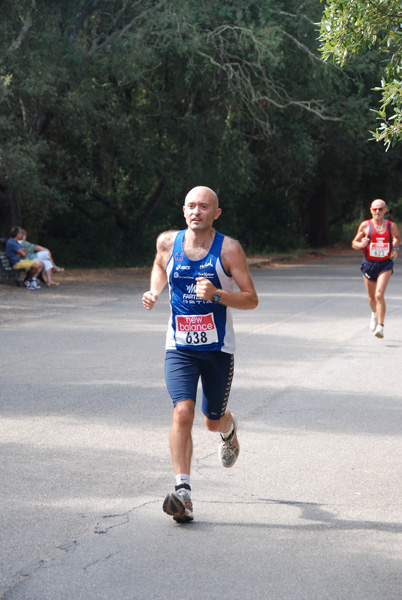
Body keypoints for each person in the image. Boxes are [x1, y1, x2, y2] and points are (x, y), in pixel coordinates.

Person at [142, 186, 258, 523]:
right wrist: (154, 290)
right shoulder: (168, 242)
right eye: (192, 205)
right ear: (183, 210)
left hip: (218, 348)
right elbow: (159, 267)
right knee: (182, 412)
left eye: (204, 206)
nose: (197, 211)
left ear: (216, 213)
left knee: (211, 419)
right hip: (179, 346)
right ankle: (183, 492)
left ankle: (228, 430)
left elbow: (251, 298)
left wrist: (219, 294)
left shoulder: (230, 250)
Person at [352, 198, 400, 338]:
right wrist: (361, 244)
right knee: (372, 298)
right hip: (369, 264)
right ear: (371, 210)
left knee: (379, 294)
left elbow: (397, 237)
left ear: (385, 210)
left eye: (380, 209)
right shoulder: (365, 226)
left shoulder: (391, 226)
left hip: (385, 263)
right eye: (375, 209)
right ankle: (374, 314)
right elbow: (354, 243)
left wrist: (395, 248)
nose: (377, 211)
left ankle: (380, 326)